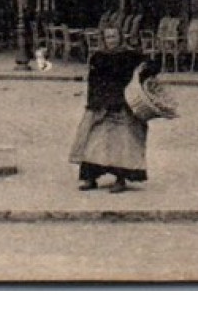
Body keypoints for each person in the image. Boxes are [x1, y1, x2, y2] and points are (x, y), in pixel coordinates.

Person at [68, 25, 160, 193]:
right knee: (95, 141)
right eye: (108, 37)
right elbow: (92, 81)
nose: (112, 41)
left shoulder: (131, 55)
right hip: (102, 103)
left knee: (122, 142)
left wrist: (144, 70)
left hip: (123, 103)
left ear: (120, 38)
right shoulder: (98, 57)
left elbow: (152, 67)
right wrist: (92, 103)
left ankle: (120, 179)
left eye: (114, 37)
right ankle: (90, 178)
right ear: (103, 39)